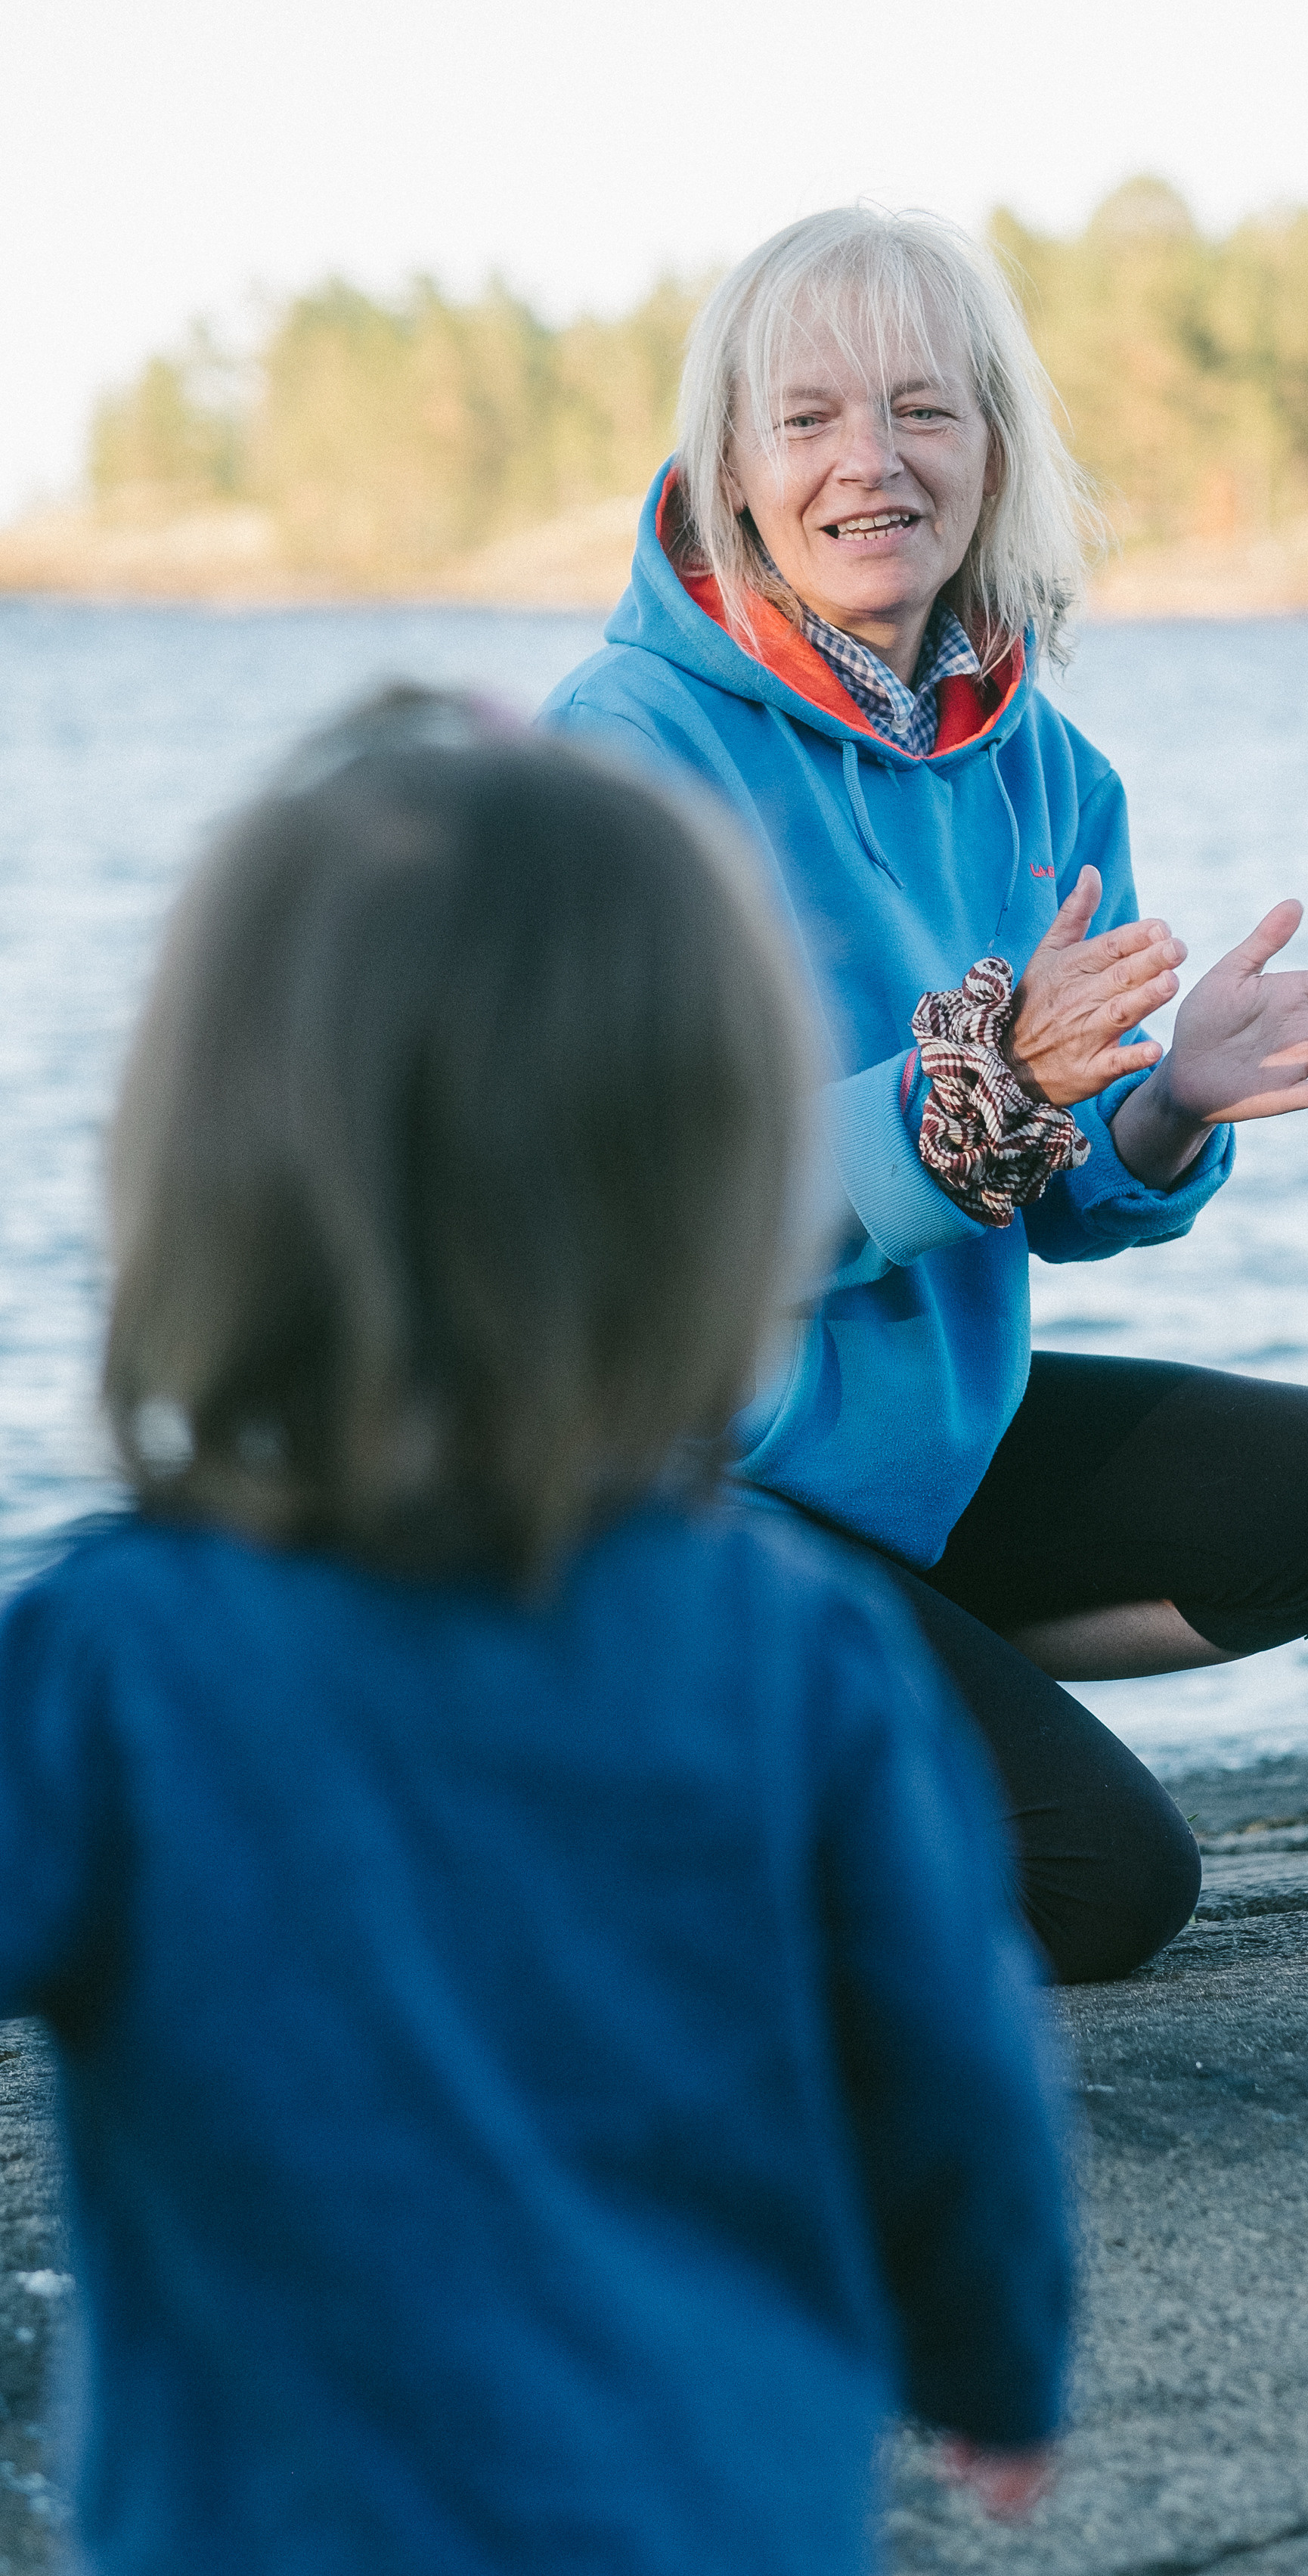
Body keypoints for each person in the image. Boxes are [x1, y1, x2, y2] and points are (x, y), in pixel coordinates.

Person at [0, 691, 1071, 2575]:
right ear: (715, 1184)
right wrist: (997, 2362)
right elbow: (950, 2082)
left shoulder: (116, 1665)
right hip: (711, 2511)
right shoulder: (799, 1655)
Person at [541, 206, 1308, 1988]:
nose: (869, 463)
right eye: (806, 420)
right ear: (730, 464)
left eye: (922, 411)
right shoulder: (623, 750)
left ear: (995, 450)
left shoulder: (1041, 766)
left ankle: (871, 1672)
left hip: (899, 1470)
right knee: (1100, 1881)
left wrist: (1172, 1099)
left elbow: (1057, 1189)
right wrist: (971, 1085)